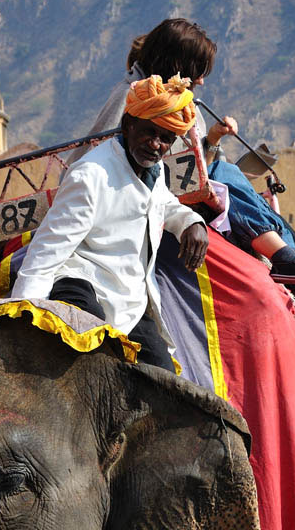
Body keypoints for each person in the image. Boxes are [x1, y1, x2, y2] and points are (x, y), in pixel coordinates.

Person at [79, 18, 295, 344]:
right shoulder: (133, 98)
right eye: (197, 69)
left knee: (241, 188)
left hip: (186, 191)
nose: (202, 81)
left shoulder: (174, 97)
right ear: (176, 64)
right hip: (150, 200)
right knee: (227, 174)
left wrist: (213, 141)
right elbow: (105, 160)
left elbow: (189, 162)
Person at [12, 73, 209, 373]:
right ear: (128, 125)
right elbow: (45, 254)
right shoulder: (90, 177)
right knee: (94, 368)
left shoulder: (154, 171)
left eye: (166, 138)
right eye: (149, 133)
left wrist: (191, 222)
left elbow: (163, 204)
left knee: (164, 380)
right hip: (81, 284)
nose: (156, 145)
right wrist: (21, 324)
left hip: (128, 299)